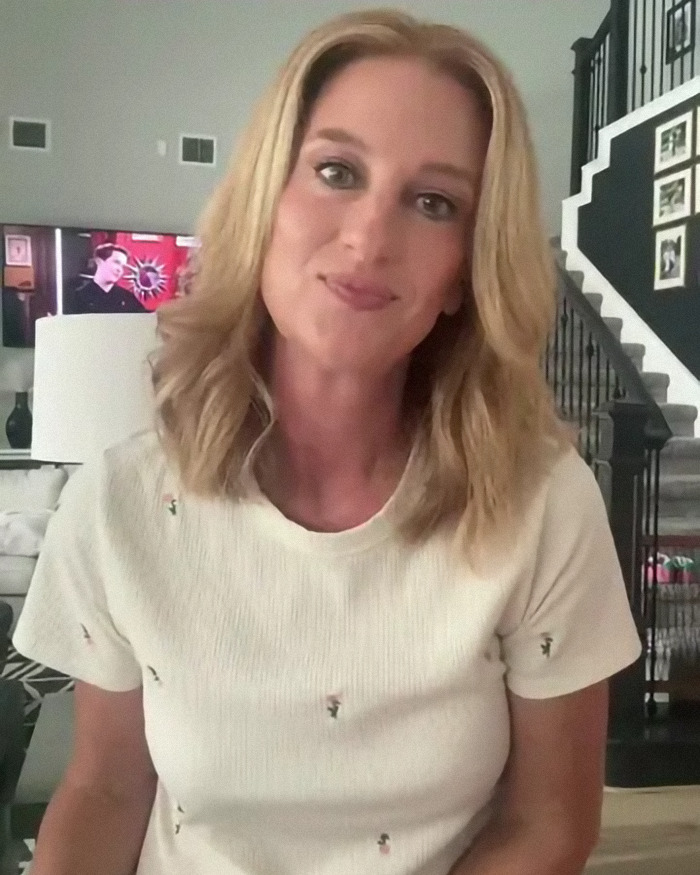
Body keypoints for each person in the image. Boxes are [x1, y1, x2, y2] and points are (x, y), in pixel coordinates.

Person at [13, 9, 642, 875]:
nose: (370, 238)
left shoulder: (543, 502)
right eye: (337, 171)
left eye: (434, 202)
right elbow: (108, 789)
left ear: (464, 272)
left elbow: (550, 822)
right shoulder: (118, 503)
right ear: (265, 200)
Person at [64, 243, 147, 313]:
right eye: (116, 262)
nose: (120, 270)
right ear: (99, 261)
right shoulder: (78, 296)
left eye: (123, 266)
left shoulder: (127, 298)